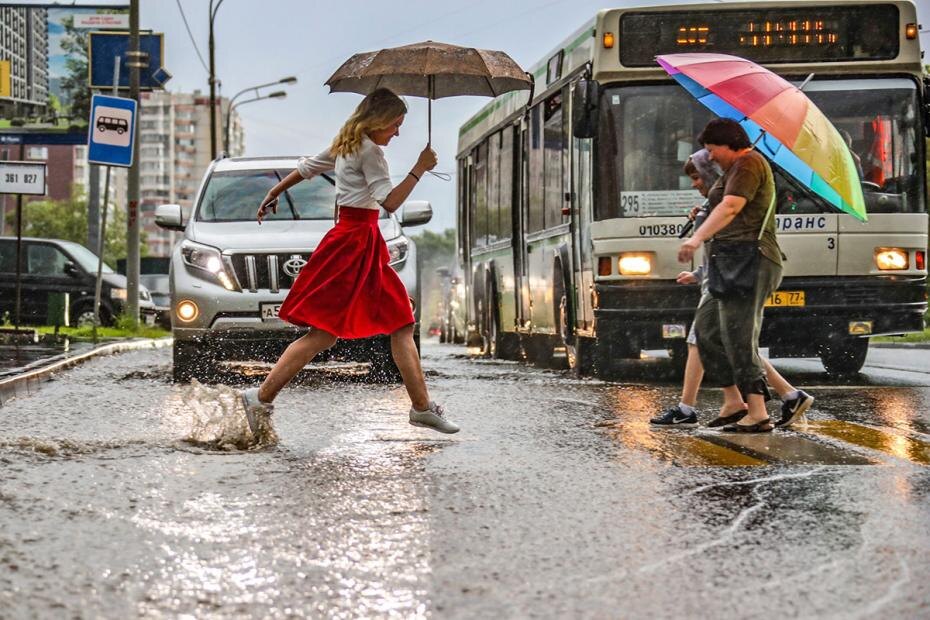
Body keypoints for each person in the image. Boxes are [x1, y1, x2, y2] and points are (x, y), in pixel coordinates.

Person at [238, 88, 459, 436]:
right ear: (379, 121)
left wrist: (274, 192)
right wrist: (419, 169)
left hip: (356, 243)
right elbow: (390, 202)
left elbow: (306, 169)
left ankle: (421, 407)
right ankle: (260, 396)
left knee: (385, 324)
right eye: (396, 125)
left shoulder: (346, 145)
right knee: (334, 332)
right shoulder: (370, 153)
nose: (398, 132)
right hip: (354, 244)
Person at [651, 149, 813, 428]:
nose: (695, 184)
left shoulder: (729, 204)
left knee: (714, 340)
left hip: (726, 281)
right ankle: (782, 395)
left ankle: (697, 407)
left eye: (697, 177)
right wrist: (699, 271)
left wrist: (702, 226)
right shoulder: (717, 204)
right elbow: (719, 252)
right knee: (732, 343)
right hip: (716, 280)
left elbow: (731, 246)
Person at [677, 119, 784, 433]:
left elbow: (732, 207)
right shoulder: (735, 169)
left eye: (712, 150)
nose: (709, 157)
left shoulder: (749, 164)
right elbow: (721, 205)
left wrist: (696, 239)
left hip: (751, 261)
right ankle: (734, 401)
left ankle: (759, 413)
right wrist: (702, 212)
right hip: (729, 264)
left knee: (739, 337)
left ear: (729, 144)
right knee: (708, 332)